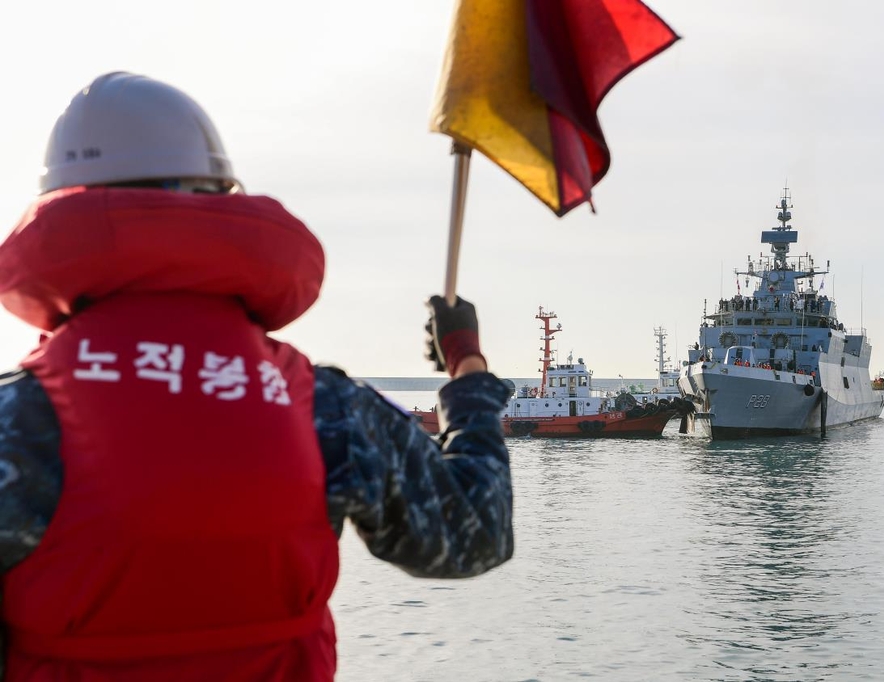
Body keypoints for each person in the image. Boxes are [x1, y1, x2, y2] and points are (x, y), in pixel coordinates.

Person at [0, 72, 513, 682]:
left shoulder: (19, 421)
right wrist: (466, 369)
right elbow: (473, 533)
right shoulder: (322, 405)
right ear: (224, 201)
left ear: (58, 212)